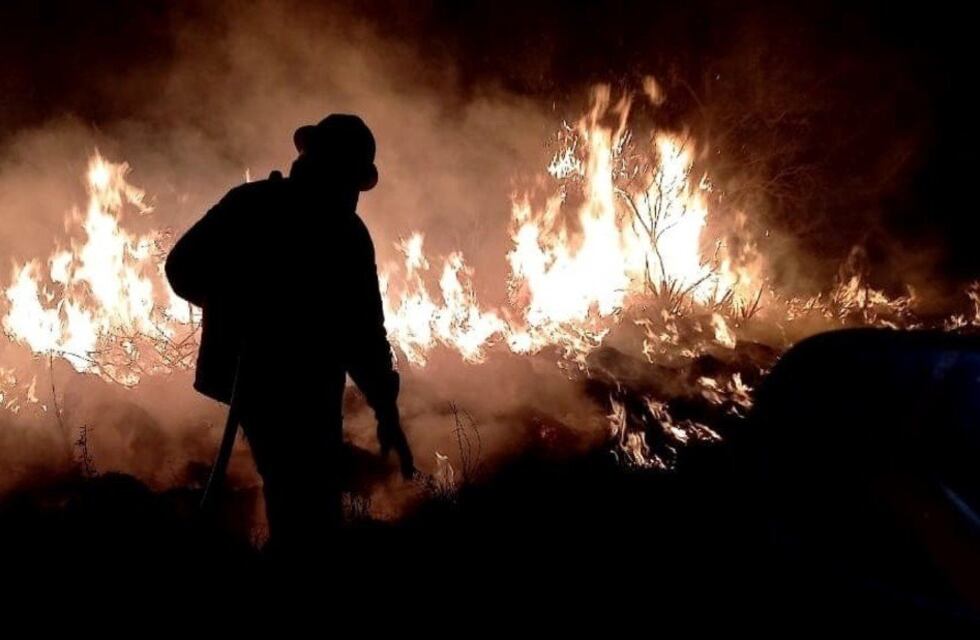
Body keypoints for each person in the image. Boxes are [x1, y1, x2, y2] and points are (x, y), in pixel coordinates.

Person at [165, 114, 414, 552]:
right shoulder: (272, 212)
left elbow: (363, 333)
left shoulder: (282, 213)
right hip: (265, 380)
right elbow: (182, 267)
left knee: (299, 494)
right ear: (337, 172)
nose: (354, 194)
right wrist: (235, 303)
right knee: (304, 501)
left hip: (297, 387)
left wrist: (386, 411)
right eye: (351, 180)